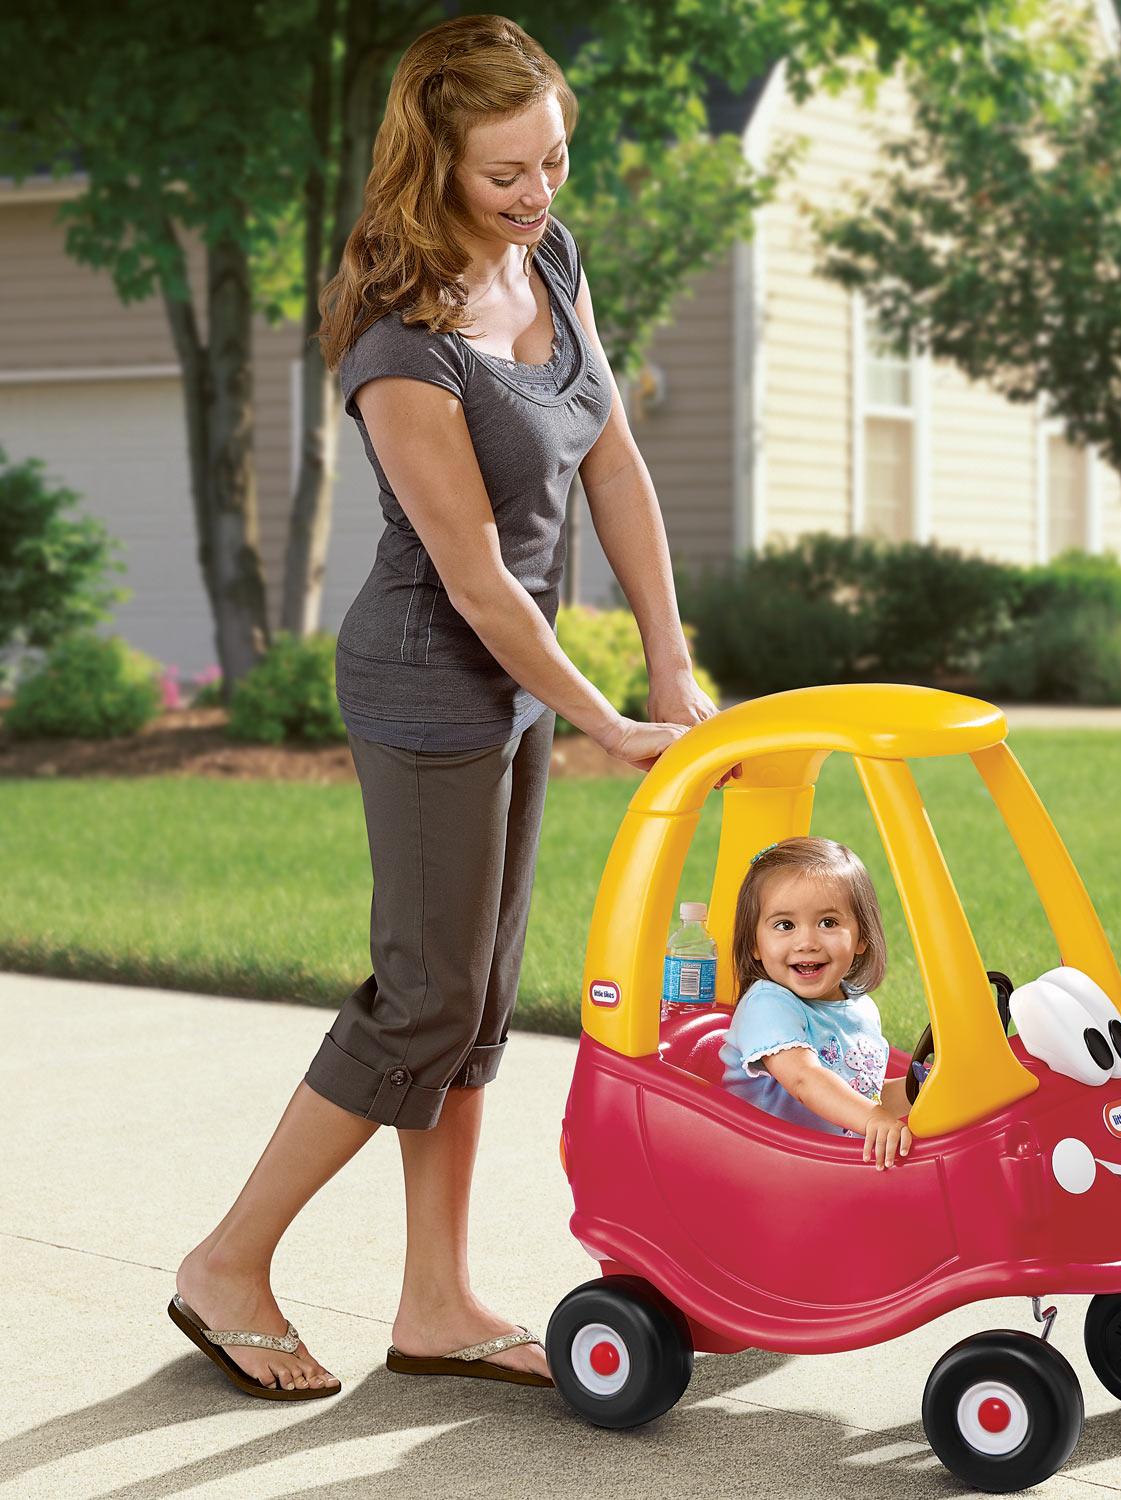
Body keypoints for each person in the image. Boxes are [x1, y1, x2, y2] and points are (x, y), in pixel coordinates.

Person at [171, 13, 725, 1399]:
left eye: (552, 161)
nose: (539, 193)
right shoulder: (397, 338)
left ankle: (437, 1302)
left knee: (475, 1008)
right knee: (424, 1002)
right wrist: (605, 719)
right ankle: (227, 1262)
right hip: (432, 677)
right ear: (434, 163)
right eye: (506, 174)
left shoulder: (550, 257)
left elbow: (613, 460)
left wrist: (667, 661)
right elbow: (480, 584)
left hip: (519, 684)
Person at [719, 837, 914, 1170]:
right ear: (754, 943)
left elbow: (863, 1093)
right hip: (764, 1166)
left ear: (861, 937)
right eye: (785, 925)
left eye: (828, 923)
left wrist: (919, 1088)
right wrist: (873, 1117)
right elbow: (805, 1080)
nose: (806, 942)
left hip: (827, 1167)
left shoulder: (860, 1008)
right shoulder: (768, 1005)